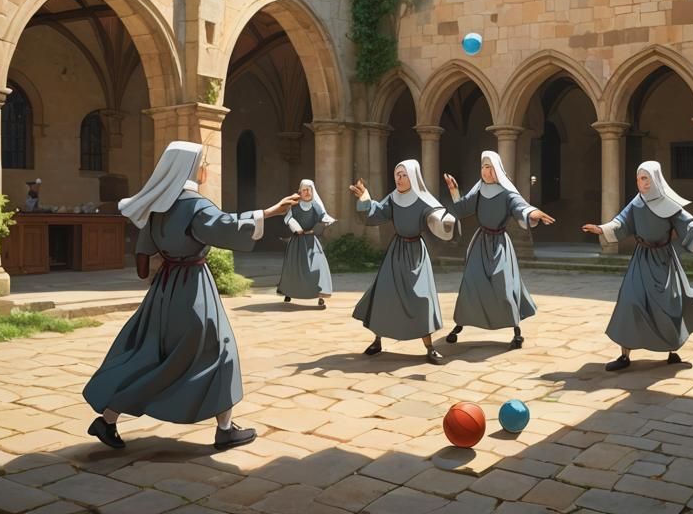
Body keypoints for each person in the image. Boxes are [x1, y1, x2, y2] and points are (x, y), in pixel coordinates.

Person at [83, 141, 299, 451]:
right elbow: (227, 227)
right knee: (220, 350)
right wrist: (271, 212)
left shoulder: (158, 206)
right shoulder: (197, 206)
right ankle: (225, 429)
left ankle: (108, 418)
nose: (206, 168)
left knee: (151, 356)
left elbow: (143, 264)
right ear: (190, 168)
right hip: (194, 287)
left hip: (163, 290)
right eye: (203, 162)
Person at [583, 161, 693, 370]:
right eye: (639, 179)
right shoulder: (637, 203)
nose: (642, 183)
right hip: (642, 259)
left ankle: (671, 350)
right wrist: (601, 229)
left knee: (669, 305)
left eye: (646, 178)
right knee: (630, 301)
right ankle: (624, 355)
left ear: (655, 179)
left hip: (664, 260)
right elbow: (621, 222)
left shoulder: (669, 204)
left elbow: (689, 224)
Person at [441, 150, 554, 350]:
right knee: (471, 283)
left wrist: (534, 213)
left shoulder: (506, 192)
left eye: (490, 167)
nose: (486, 171)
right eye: (484, 167)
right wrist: (454, 191)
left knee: (504, 285)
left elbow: (521, 207)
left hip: (500, 244)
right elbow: (461, 209)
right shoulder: (478, 191)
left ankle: (516, 331)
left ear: (497, 170)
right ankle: (460, 325)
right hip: (480, 243)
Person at [349, 160, 456, 364]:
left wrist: (446, 221)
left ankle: (429, 347)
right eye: (397, 174)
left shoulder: (423, 199)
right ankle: (377, 341)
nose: (399, 178)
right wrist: (365, 198)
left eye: (404, 174)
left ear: (413, 176)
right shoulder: (393, 197)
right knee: (385, 295)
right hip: (396, 253)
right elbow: (375, 215)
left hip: (416, 253)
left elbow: (438, 218)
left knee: (421, 299)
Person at [278, 178, 334, 308]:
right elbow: (288, 218)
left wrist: (325, 221)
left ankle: (320, 293)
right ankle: (289, 292)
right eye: (304, 190)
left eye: (309, 190)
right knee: (294, 268)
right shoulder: (295, 206)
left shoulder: (315, 206)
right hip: (297, 242)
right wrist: (295, 226)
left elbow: (322, 217)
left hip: (310, 240)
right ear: (300, 192)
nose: (307, 192)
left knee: (318, 266)